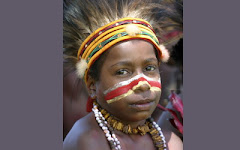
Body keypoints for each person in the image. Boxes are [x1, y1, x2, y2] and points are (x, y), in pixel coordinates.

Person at [63, 0, 183, 149]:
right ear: (92, 85)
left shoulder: (171, 143)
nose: (142, 83)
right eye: (122, 72)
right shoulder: (87, 140)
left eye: (149, 68)